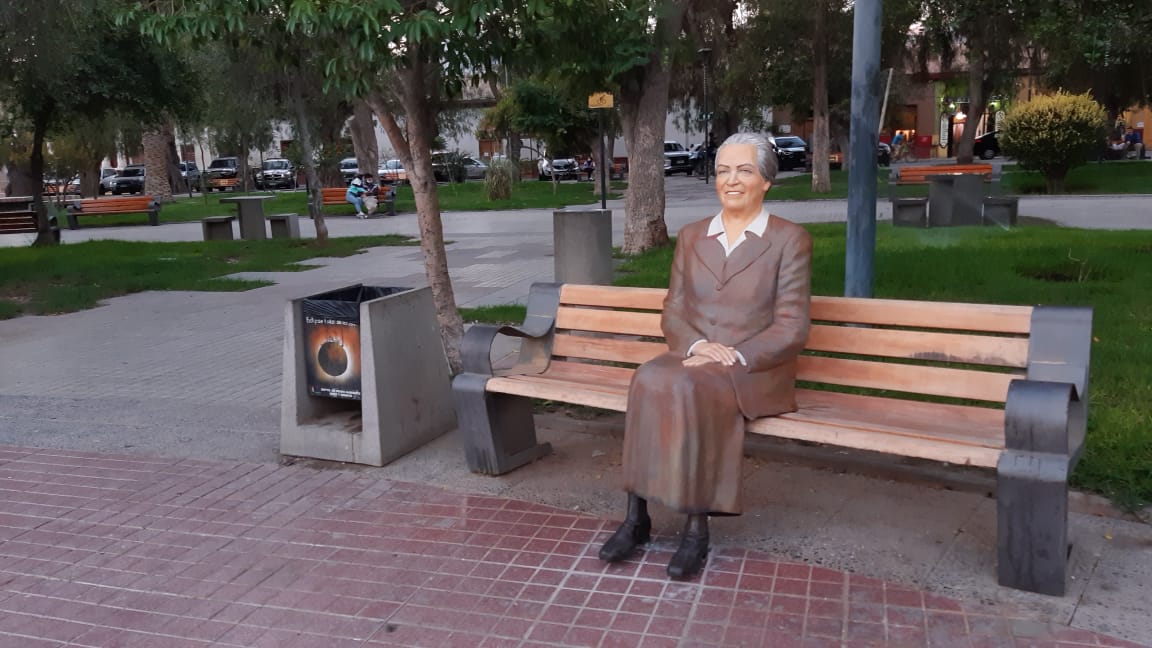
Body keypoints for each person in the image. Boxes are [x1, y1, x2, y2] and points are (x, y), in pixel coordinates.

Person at [598, 132, 812, 579]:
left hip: (754, 367)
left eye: (744, 170)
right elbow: (673, 309)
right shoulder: (694, 236)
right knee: (648, 379)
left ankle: (697, 530)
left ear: (766, 181)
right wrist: (696, 345)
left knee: (690, 388)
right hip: (694, 357)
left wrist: (732, 355)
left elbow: (792, 327)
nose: (731, 181)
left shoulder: (789, 240)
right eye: (722, 171)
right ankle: (637, 517)